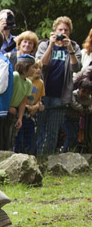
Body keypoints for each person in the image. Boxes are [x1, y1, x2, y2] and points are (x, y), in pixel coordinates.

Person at [35, 16, 81, 155]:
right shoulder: (44, 44)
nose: (63, 32)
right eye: (60, 29)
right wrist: (51, 44)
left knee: (53, 129)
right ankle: (37, 155)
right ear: (54, 30)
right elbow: (42, 64)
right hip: (43, 92)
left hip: (60, 94)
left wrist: (70, 48)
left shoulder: (73, 46)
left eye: (66, 30)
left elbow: (76, 67)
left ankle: (48, 157)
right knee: (40, 127)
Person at [3, 54, 34, 150]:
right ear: (26, 67)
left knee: (13, 138)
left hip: (14, 112)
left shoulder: (28, 83)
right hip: (5, 111)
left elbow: (23, 102)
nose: (34, 70)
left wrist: (20, 118)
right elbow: (4, 92)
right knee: (3, 137)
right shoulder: (14, 76)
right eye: (33, 67)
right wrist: (7, 107)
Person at [14, 59, 45, 154]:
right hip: (22, 112)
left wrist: (36, 106)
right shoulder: (25, 81)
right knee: (19, 138)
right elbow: (22, 99)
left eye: (40, 68)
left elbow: (40, 98)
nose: (38, 70)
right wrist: (27, 107)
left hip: (31, 115)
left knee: (30, 138)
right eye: (35, 67)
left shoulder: (41, 83)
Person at [62, 74, 92, 152]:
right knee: (71, 136)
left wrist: (87, 110)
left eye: (88, 92)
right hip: (67, 118)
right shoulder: (74, 95)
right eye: (83, 91)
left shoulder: (89, 98)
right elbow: (73, 104)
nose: (85, 94)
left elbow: (89, 107)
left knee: (75, 137)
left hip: (76, 119)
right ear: (79, 89)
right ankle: (64, 152)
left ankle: (71, 152)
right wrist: (82, 109)